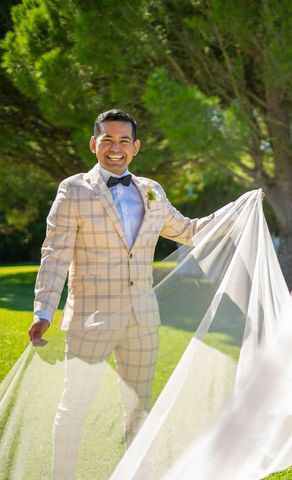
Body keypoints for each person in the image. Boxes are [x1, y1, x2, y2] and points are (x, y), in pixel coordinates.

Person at [28, 109, 228, 479]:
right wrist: (43, 310)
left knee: (139, 408)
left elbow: (188, 230)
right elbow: (54, 253)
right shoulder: (72, 189)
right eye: (107, 140)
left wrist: (237, 210)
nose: (115, 148)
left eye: (124, 141)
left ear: (135, 147)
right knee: (75, 407)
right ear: (94, 144)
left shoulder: (153, 190)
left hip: (142, 320)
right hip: (90, 319)